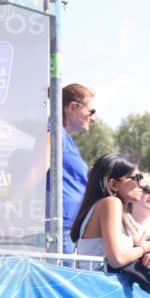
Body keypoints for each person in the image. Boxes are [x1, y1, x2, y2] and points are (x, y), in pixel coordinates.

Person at [69, 153, 150, 272]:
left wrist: (147, 255)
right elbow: (117, 259)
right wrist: (143, 249)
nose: (142, 185)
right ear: (113, 185)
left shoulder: (115, 209)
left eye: (141, 178)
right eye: (136, 178)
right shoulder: (111, 203)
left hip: (100, 286)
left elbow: (132, 250)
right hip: (102, 287)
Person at [49, 83, 97, 253]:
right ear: (72, 107)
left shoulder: (64, 138)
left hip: (71, 227)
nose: (93, 118)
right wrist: (12, 202)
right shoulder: (54, 134)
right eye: (91, 111)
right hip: (60, 227)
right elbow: (36, 171)